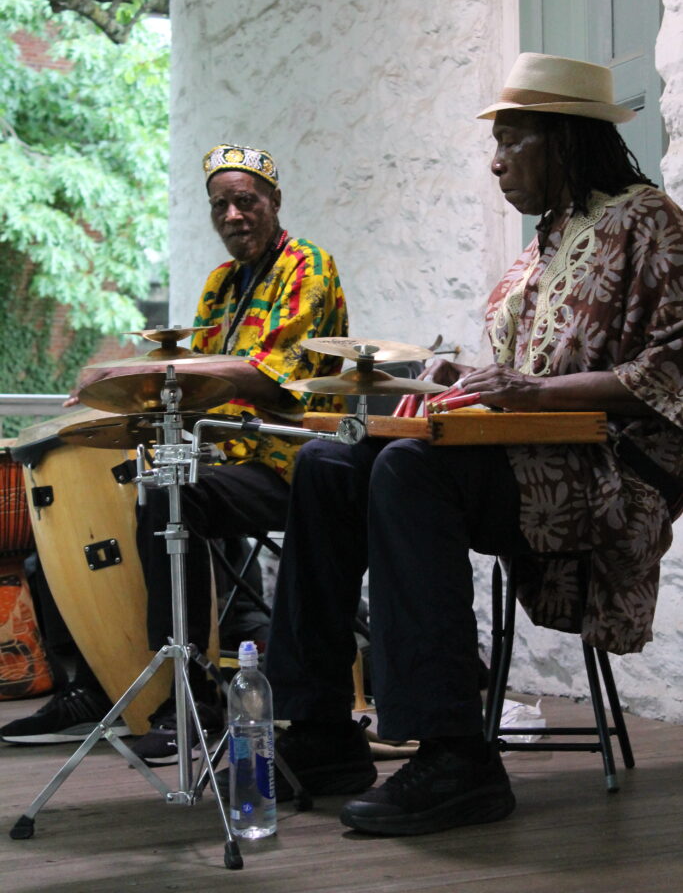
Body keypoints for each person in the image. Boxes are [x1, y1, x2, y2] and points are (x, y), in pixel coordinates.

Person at [261, 53, 683, 836]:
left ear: (564, 138)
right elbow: (527, 371)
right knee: (327, 461)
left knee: (410, 472)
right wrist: (473, 374)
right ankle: (317, 728)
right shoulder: (548, 239)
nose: (495, 161)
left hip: (603, 470)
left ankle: (455, 755)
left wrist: (531, 392)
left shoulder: (647, 220)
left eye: (513, 139)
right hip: (523, 455)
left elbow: (668, 368)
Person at [1, 143, 348, 757]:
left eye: (247, 201)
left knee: (168, 494)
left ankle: (189, 694)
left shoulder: (308, 266)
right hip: (220, 455)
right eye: (221, 206)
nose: (234, 216)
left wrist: (133, 374)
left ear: (273, 202)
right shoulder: (220, 284)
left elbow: (266, 376)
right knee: (110, 493)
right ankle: (91, 680)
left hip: (286, 459)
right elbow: (188, 377)